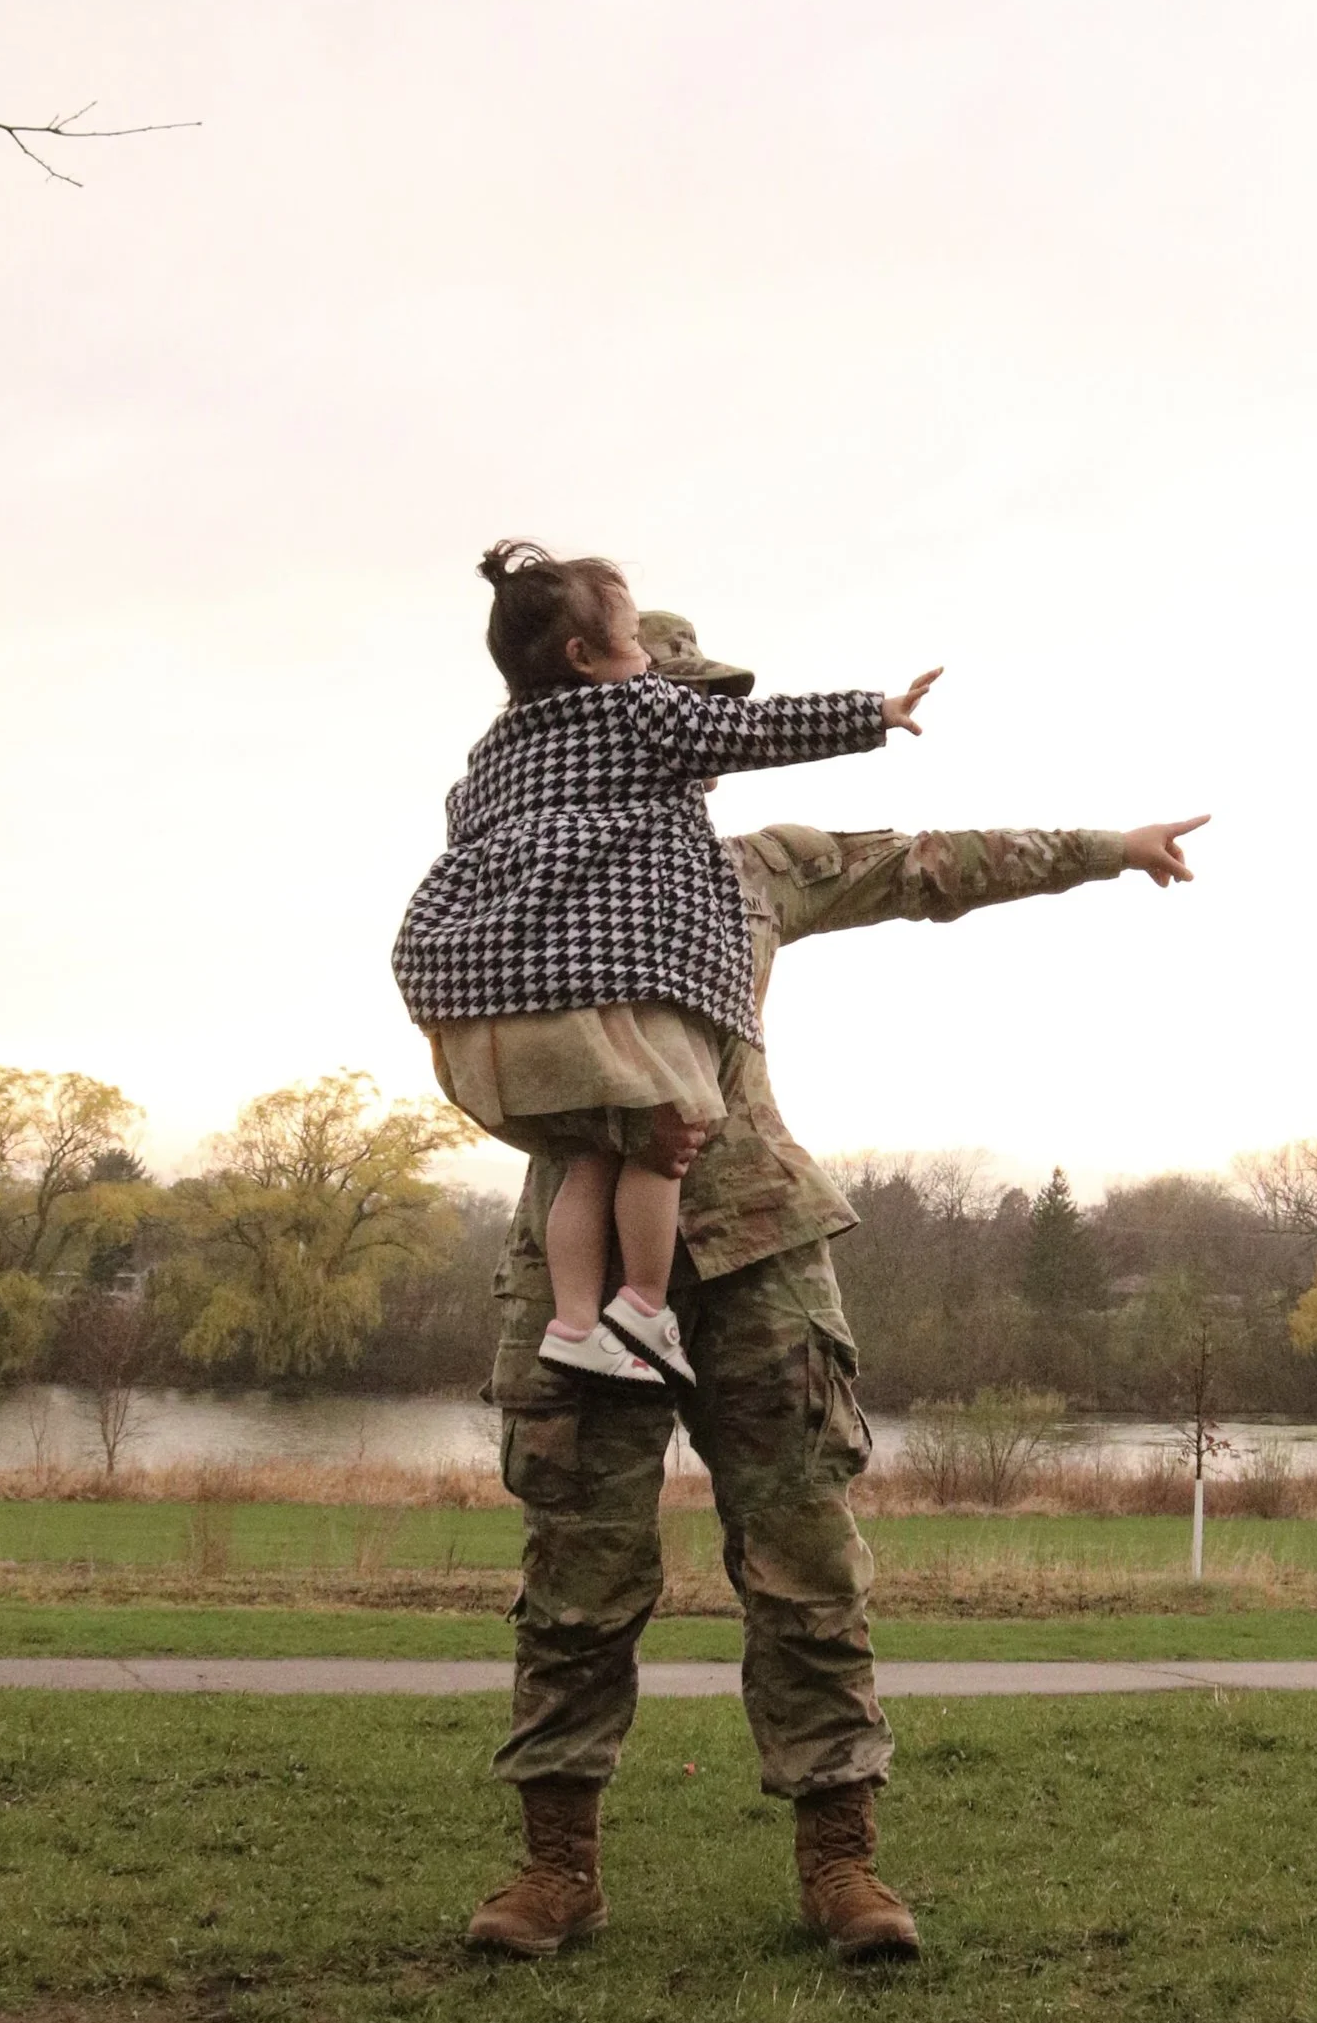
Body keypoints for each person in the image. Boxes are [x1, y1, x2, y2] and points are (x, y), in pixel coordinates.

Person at [432, 599, 1208, 1966]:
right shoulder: (521, 860)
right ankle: (555, 1869)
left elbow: (932, 861)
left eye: (709, 721)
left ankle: (841, 1861)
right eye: (678, 710)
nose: (699, 745)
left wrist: (1107, 850)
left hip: (761, 1260)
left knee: (807, 1573)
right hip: (578, 1257)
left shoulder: (757, 871)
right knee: (575, 1572)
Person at [393, 539, 941, 1391]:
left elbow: (472, 839)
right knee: (666, 1136)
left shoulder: (491, 754)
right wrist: (875, 712)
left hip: (487, 1001)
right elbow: (755, 730)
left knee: (588, 1156)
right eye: (634, 642)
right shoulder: (638, 712)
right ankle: (644, 1309)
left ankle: (575, 1325)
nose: (648, 659)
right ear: (586, 659)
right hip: (601, 992)